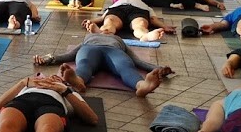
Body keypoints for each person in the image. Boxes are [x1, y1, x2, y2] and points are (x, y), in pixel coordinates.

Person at [33, 34, 172, 97]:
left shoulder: (118, 39)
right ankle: (78, 80)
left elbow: (136, 60)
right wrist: (47, 59)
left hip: (114, 51)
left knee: (126, 67)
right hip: (90, 49)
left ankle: (142, 86)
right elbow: (69, 55)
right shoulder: (89, 36)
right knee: (84, 63)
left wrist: (158, 69)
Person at [84, 0, 172, 42]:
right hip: (133, 9)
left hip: (130, 9)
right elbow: (153, 19)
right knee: (139, 24)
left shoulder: (147, 7)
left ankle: (104, 31)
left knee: (110, 21)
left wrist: (164, 26)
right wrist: (90, 21)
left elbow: (102, 18)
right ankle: (144, 35)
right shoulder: (145, 5)